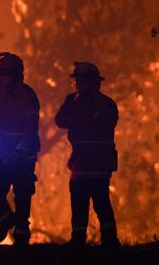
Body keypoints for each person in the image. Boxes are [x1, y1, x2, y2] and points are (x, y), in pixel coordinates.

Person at [55, 62, 120, 249]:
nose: (77, 84)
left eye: (81, 80)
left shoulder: (104, 104)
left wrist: (80, 114)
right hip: (84, 162)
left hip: (96, 162)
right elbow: (60, 121)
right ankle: (82, 240)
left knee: (97, 203)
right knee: (83, 203)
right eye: (77, 80)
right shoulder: (74, 101)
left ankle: (107, 241)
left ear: (92, 82)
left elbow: (106, 122)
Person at [0, 52, 40, 246]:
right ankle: (5, 219)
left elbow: (31, 131)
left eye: (6, 72)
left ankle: (21, 236)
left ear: (17, 74)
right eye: (1, 72)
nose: (3, 76)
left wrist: (19, 153)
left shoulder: (28, 96)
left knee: (22, 194)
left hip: (22, 156)